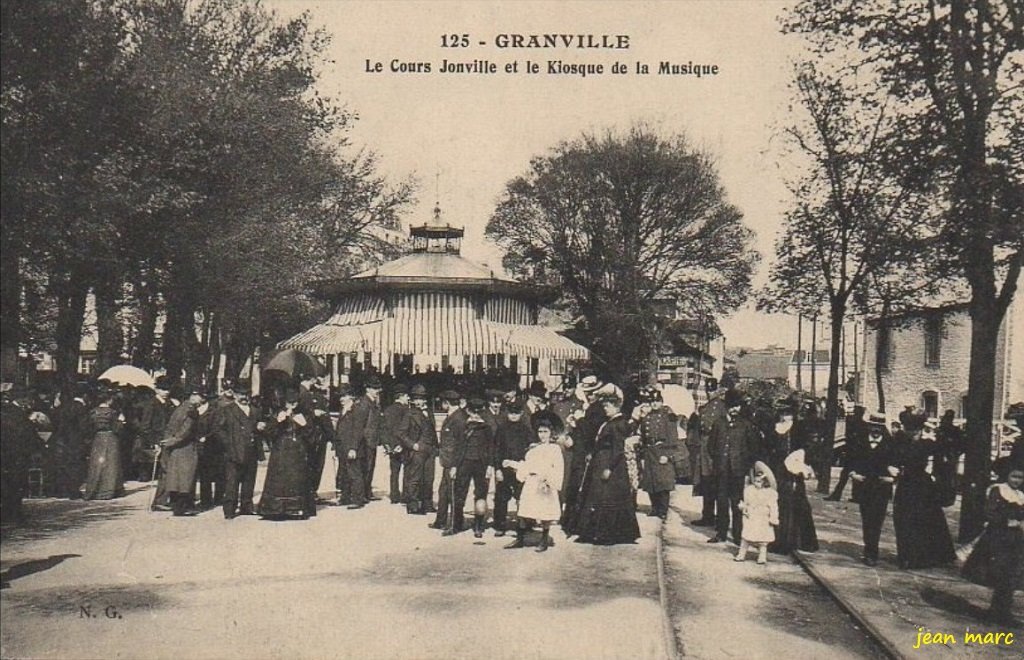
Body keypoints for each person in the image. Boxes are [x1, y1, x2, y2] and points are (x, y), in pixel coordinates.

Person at [572, 389, 641, 545]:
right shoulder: (610, 422)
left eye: (608, 407)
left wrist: (609, 468)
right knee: (599, 497)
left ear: (616, 407)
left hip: (611, 466)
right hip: (601, 461)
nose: (605, 409)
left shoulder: (618, 424)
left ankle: (607, 534)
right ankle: (595, 532)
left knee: (608, 499)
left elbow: (617, 449)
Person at [961, 460, 1023, 626]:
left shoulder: (1020, 496)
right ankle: (996, 611)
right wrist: (1006, 522)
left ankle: (1004, 610)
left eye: (1020, 478)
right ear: (1007, 476)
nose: (1017, 480)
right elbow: (989, 512)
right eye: (1014, 476)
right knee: (1000, 572)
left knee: (1011, 575)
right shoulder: (998, 490)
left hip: (1015, 541)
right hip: (998, 538)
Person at [892, 419, 956, 569]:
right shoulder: (900, 444)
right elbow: (892, 459)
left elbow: (944, 450)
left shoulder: (927, 444)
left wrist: (938, 432)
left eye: (915, 429)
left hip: (923, 486)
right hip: (906, 484)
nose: (913, 432)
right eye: (909, 429)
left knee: (927, 518)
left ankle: (927, 556)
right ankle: (906, 556)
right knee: (905, 519)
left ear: (920, 430)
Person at [707, 389, 764, 544]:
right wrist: (719, 460)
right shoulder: (718, 423)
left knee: (737, 503)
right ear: (726, 407)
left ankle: (738, 535)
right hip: (721, 469)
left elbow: (753, 449)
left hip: (738, 471)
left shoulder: (745, 425)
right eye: (732, 406)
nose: (735, 409)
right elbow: (711, 446)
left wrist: (744, 466)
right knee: (721, 501)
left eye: (737, 406)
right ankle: (721, 533)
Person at [503, 419, 564, 552]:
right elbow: (527, 466)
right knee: (523, 511)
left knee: (545, 513)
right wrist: (512, 463)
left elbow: (558, 468)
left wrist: (549, 481)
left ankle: (544, 539)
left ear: (551, 433)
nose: (542, 435)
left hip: (544, 482)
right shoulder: (533, 449)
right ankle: (520, 539)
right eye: (540, 431)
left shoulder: (554, 449)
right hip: (531, 481)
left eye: (545, 432)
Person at [848, 412, 899, 566]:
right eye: (873, 426)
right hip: (864, 487)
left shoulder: (891, 444)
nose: (876, 430)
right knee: (866, 520)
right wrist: (853, 474)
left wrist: (892, 478)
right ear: (869, 426)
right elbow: (851, 460)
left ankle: (872, 553)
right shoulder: (860, 441)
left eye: (879, 427)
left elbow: (897, 464)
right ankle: (868, 548)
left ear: (883, 429)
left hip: (881, 488)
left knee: (876, 521)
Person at [258, 387, 316, 519]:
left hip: (297, 450)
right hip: (281, 450)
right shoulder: (278, 414)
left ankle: (296, 508)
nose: (291, 406)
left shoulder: (303, 415)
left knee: (297, 479)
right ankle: (275, 509)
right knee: (278, 479)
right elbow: (269, 433)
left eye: (294, 403)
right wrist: (277, 422)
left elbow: (311, 436)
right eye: (289, 403)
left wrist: (304, 425)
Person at [767, 408, 819, 554]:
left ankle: (799, 541)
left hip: (792, 471)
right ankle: (777, 541)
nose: (787, 417)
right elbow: (768, 449)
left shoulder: (798, 430)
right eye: (784, 414)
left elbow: (807, 449)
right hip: (777, 470)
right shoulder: (773, 429)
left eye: (789, 414)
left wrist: (802, 461)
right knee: (778, 503)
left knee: (797, 503)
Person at [208, 382, 263, 519]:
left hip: (251, 449)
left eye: (246, 394)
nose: (244, 397)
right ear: (235, 395)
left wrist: (260, 427)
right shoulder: (227, 410)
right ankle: (230, 509)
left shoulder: (255, 410)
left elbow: (257, 426)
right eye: (240, 394)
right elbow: (218, 429)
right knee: (232, 481)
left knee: (249, 479)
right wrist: (228, 444)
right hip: (234, 450)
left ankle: (246, 506)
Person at [560, 375, 606, 535]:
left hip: (587, 453)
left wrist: (579, 421)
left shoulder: (598, 409)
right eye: (587, 392)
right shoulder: (590, 408)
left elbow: (591, 432)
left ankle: (577, 523)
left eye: (592, 393)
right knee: (576, 486)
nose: (589, 395)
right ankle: (571, 521)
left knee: (581, 487)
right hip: (580, 451)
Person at [446, 397, 494, 538]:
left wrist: (490, 465)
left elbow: (491, 447)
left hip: (481, 464)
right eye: (473, 412)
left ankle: (478, 526)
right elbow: (458, 447)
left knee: (481, 495)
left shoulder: (487, 428)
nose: (475, 416)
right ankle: (456, 525)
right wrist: (454, 465)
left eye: (478, 413)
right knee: (459, 494)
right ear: (469, 411)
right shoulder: (462, 426)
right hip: (464, 463)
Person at [1, 384, 43, 524]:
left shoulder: (7, 411)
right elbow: (25, 433)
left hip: (7, 453)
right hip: (16, 453)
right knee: (16, 483)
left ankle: (9, 512)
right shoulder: (17, 413)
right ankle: (14, 513)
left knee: (8, 483)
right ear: (21, 398)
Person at [493, 400, 535, 536]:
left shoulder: (526, 430)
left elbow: (530, 450)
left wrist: (526, 466)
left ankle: (523, 524)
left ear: (521, 413)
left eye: (516, 413)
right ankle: (500, 525)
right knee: (501, 498)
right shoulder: (502, 428)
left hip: (520, 468)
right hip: (504, 468)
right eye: (511, 413)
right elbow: (496, 450)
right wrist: (497, 469)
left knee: (522, 497)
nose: (513, 416)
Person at [161, 385, 204, 517]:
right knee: (185, 479)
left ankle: (176, 506)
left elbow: (171, 426)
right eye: (201, 397)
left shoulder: (179, 408)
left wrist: (167, 441)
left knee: (175, 478)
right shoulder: (192, 411)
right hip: (186, 447)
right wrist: (172, 441)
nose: (202, 400)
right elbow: (186, 431)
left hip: (175, 449)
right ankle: (181, 508)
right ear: (194, 396)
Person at [341, 377, 382, 508]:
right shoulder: (364, 403)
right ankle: (361, 495)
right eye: (375, 389)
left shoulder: (372, 402)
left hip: (371, 440)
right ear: (368, 389)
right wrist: (355, 445)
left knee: (368, 468)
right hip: (366, 441)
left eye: (378, 389)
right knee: (363, 468)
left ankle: (365, 493)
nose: (377, 391)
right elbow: (359, 426)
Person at [47, 382, 92, 499]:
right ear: (85, 395)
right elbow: (84, 427)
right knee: (76, 465)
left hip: (64, 439)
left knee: (65, 465)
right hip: (76, 440)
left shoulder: (66, 406)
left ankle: (62, 491)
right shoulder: (81, 408)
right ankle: (73, 491)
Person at [637, 388, 677, 520]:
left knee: (663, 482)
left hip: (662, 450)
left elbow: (672, 438)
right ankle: (654, 507)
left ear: (661, 402)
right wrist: (642, 455)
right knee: (650, 481)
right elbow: (643, 437)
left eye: (657, 401)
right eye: (652, 401)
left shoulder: (667, 418)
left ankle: (663, 509)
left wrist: (668, 454)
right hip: (649, 451)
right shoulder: (646, 418)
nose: (654, 404)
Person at [430, 390, 467, 530]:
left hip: (453, 463)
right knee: (443, 492)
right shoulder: (454, 416)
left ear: (447, 403)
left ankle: (455, 524)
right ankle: (441, 521)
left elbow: (460, 445)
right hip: (448, 462)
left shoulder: (459, 419)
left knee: (453, 494)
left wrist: (455, 466)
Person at [82, 385, 126, 500]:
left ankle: (94, 489)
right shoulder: (113, 412)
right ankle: (109, 489)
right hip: (110, 438)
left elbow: (87, 427)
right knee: (111, 464)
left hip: (97, 439)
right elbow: (117, 428)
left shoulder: (92, 412)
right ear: (109, 400)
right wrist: (121, 421)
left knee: (97, 464)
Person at [402, 384, 437, 515]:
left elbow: (432, 431)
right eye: (416, 398)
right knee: (415, 477)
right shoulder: (409, 414)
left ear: (425, 400)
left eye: (421, 398)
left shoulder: (429, 412)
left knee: (429, 477)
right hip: (417, 449)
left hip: (430, 449)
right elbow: (401, 434)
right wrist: (412, 445)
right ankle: (413, 505)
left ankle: (427, 503)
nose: (418, 401)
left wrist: (436, 447)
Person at [735, 461, 779, 564]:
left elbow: (773, 506)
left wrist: (773, 517)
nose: (756, 483)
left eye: (759, 481)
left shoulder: (770, 493)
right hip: (751, 516)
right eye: (755, 481)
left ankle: (762, 556)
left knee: (763, 539)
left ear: (765, 482)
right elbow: (746, 502)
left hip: (763, 517)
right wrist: (743, 507)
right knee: (746, 536)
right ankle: (741, 554)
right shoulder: (749, 490)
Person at [381, 383, 414, 505]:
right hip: (403, 445)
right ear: (401, 396)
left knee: (394, 472)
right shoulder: (407, 410)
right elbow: (405, 430)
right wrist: (402, 444)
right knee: (407, 470)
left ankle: (394, 495)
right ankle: (406, 495)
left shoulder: (388, 410)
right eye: (407, 396)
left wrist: (387, 444)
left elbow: (384, 429)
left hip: (391, 446)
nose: (408, 398)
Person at [827, 405, 866, 502]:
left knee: (846, 475)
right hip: (856, 454)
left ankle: (839, 495)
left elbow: (849, 438)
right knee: (851, 475)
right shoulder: (863, 425)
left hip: (853, 453)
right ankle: (855, 496)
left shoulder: (853, 423)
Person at [332, 384, 357, 505]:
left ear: (351, 396)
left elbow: (357, 431)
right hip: (342, 447)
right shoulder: (344, 409)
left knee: (353, 473)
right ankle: (345, 497)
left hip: (350, 446)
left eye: (344, 396)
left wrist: (353, 447)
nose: (341, 399)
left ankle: (356, 499)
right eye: (340, 396)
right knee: (344, 472)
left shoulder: (355, 410)